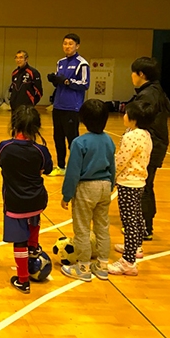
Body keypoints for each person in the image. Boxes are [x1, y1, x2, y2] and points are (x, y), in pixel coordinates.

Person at [0, 106, 53, 294]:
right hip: (37, 200)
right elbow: (48, 169)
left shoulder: (4, 147)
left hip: (15, 202)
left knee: (19, 242)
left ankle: (22, 280)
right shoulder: (41, 151)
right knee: (33, 221)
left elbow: (3, 164)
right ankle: (34, 248)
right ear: (37, 127)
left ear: (14, 124)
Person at [60, 99, 115, 282]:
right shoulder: (109, 140)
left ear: (82, 119)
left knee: (82, 228)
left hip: (86, 188)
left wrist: (66, 195)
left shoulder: (79, 142)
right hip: (105, 186)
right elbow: (112, 167)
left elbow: (73, 172)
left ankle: (83, 267)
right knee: (102, 227)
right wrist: (110, 186)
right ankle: (102, 265)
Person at [125, 57, 170, 241]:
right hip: (155, 143)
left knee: (143, 186)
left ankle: (145, 227)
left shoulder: (148, 95)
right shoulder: (154, 90)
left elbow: (142, 118)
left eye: (133, 72)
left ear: (141, 74)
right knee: (146, 185)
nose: (132, 76)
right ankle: (144, 225)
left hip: (152, 145)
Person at [109, 100, 155, 276]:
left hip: (128, 183)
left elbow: (121, 160)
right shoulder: (146, 135)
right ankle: (135, 247)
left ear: (134, 118)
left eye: (127, 113)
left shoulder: (130, 136)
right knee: (136, 218)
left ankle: (128, 262)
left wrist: (112, 177)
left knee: (129, 222)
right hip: (139, 182)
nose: (124, 116)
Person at [47, 33, 90, 176]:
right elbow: (60, 81)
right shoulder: (60, 62)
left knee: (73, 140)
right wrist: (54, 79)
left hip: (72, 107)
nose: (67, 46)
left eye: (70, 44)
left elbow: (85, 84)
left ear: (77, 46)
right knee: (58, 138)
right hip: (58, 105)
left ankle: (77, 168)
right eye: (65, 43)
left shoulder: (82, 63)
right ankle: (60, 166)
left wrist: (67, 81)